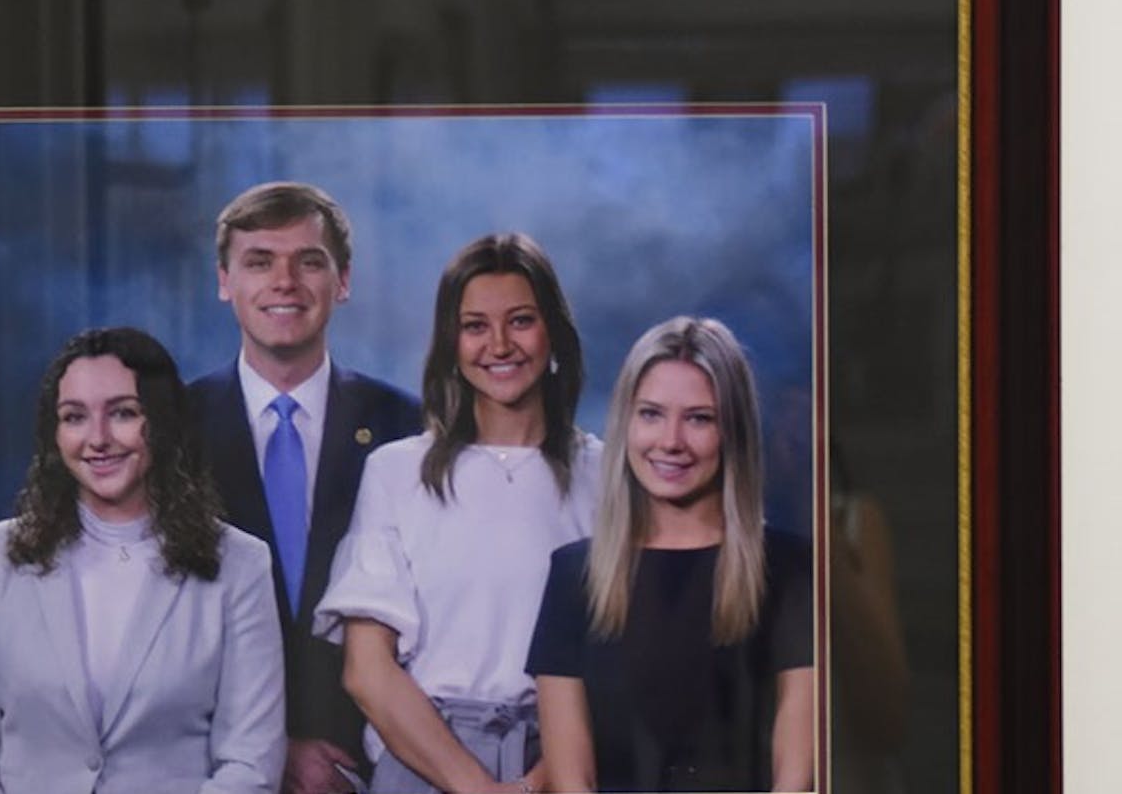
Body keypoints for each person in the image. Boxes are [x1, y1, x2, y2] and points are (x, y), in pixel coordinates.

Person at [313, 232, 603, 794]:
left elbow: (621, 665)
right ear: (451, 342)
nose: (499, 344)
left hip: (564, 762)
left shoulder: (607, 476)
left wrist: (538, 782)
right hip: (425, 759)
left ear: (554, 333)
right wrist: (479, 789)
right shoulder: (395, 473)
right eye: (474, 326)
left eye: (520, 320)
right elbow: (368, 671)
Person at [0, 327, 286, 794]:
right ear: (54, 435)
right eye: (74, 417)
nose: (97, 439)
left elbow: (250, 764)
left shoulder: (241, 565)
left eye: (123, 414)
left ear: (161, 420)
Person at [188, 182, 423, 794]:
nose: (284, 281)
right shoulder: (170, 432)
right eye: (260, 261)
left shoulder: (411, 428)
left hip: (379, 766)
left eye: (308, 261)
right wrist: (271, 751)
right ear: (224, 281)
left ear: (342, 281)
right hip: (216, 771)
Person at [527, 316, 814, 792]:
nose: (671, 442)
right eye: (651, 414)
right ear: (626, 422)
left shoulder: (787, 570)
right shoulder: (571, 575)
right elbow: (571, 777)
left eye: (699, 418)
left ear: (733, 431)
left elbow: (796, 772)